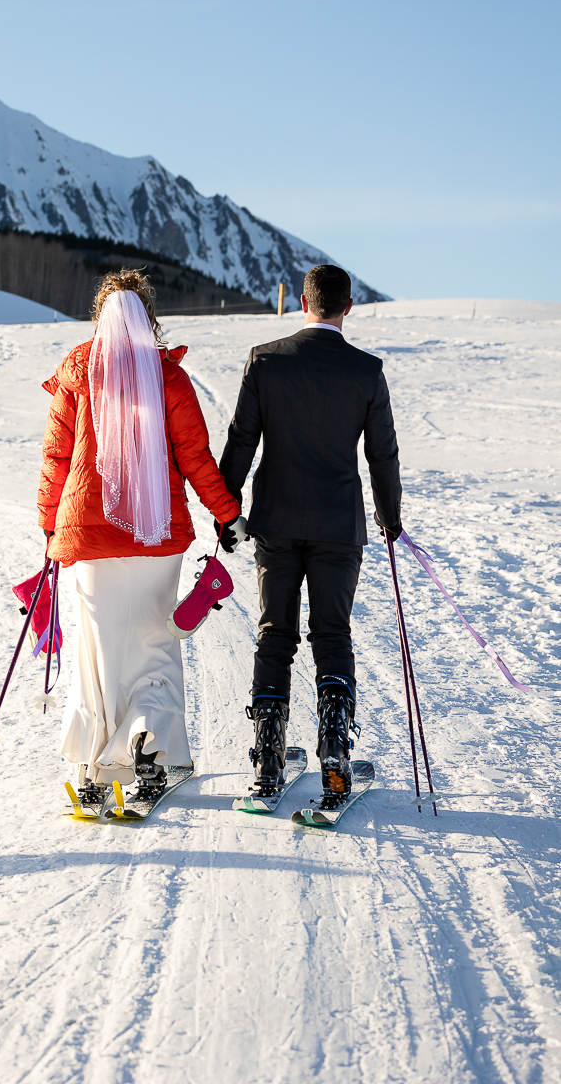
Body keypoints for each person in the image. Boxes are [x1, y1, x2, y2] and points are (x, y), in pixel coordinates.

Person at [38, 269, 244, 806]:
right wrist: (226, 514)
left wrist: (47, 523)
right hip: (157, 538)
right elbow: (195, 458)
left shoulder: (78, 371)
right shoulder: (168, 378)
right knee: (153, 648)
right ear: (148, 317)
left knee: (98, 653)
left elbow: (57, 457)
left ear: (99, 315)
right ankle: (150, 751)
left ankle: (91, 767)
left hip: (88, 539)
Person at [217, 264, 402, 805]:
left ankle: (268, 764)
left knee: (275, 634)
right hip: (339, 528)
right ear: (349, 307)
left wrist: (226, 511)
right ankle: (336, 762)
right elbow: (382, 455)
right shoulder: (367, 372)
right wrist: (390, 520)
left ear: (303, 302)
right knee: (332, 634)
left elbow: (241, 439)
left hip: (276, 521)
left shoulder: (267, 360)